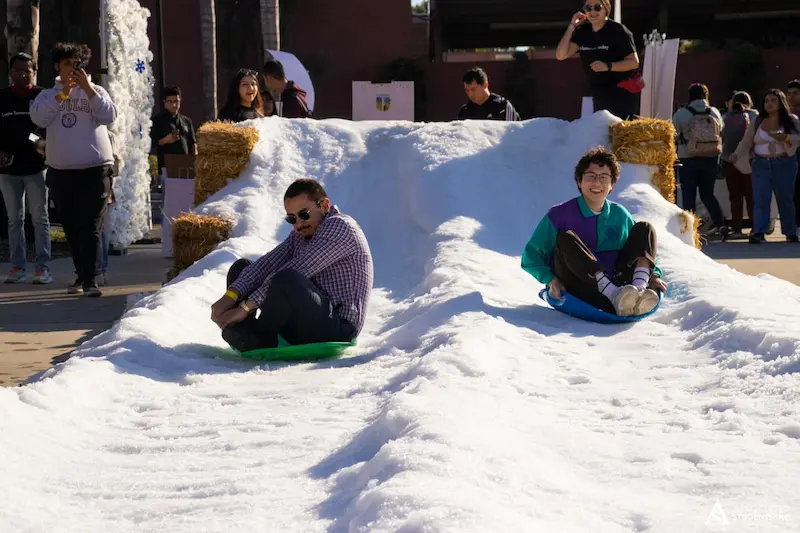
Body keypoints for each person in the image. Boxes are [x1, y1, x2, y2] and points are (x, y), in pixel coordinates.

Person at [210, 179, 373, 351]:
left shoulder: (340, 226)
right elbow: (268, 263)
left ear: (324, 205)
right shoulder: (301, 233)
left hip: (337, 327)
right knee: (243, 267)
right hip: (305, 320)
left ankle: (260, 337)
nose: (298, 224)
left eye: (304, 214)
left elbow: (299, 268)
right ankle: (246, 333)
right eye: (291, 218)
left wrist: (244, 308)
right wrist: (230, 296)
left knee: (287, 278)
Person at [521, 148, 666, 317]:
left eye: (604, 177)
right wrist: (551, 279)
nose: (597, 183)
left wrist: (654, 275)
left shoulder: (620, 214)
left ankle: (638, 294)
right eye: (590, 176)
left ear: (612, 184)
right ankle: (614, 296)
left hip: (622, 285)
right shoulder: (559, 214)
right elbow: (530, 257)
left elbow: (642, 251)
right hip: (580, 287)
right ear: (579, 181)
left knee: (645, 228)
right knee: (566, 238)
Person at [30, 42, 117, 297]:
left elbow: (109, 116)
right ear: (58, 66)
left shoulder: (97, 91)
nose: (71, 69)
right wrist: (63, 95)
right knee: (70, 226)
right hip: (61, 171)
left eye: (76, 64)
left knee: (91, 225)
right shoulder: (48, 94)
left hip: (95, 169)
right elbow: (38, 119)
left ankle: (90, 280)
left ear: (84, 66)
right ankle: (82, 274)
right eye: (66, 64)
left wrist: (87, 89)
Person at [0, 52, 51, 284]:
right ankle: (17, 267)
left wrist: (27, 140)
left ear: (34, 72)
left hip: (35, 168)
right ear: (10, 73)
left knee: (40, 218)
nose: (22, 74)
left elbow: (42, 131)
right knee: (14, 219)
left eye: (27, 70)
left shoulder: (42, 96)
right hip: (9, 171)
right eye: (17, 70)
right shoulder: (2, 98)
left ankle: (43, 268)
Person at [730, 89, 800, 244]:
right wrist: (736, 154)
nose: (769, 103)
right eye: (767, 100)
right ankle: (759, 232)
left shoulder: (791, 120)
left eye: (773, 100)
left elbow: (798, 138)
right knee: (761, 198)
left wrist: (786, 137)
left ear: (781, 103)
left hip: (784, 164)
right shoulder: (757, 121)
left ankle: (790, 231)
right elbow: (746, 141)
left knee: (785, 198)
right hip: (761, 164)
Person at [556, 0, 641, 120]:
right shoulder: (583, 32)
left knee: (618, 133)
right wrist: (572, 26)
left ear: (606, 8)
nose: (592, 12)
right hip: (598, 93)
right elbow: (561, 55)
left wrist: (608, 66)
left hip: (621, 94)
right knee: (602, 133)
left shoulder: (618, 30)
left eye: (597, 7)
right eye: (588, 8)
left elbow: (634, 62)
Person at [672, 83, 727, 237]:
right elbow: (720, 130)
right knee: (707, 194)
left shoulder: (682, 113)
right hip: (710, 157)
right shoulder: (714, 112)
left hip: (688, 157)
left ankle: (690, 229)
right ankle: (721, 224)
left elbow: (674, 134)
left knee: (688, 195)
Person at [721, 93, 756, 239]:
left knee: (735, 197)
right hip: (750, 160)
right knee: (751, 196)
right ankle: (756, 228)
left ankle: (736, 229)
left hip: (730, 160)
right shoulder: (754, 115)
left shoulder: (726, 117)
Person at [150, 86, 197, 172]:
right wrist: (165, 140)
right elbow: (150, 143)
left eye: (176, 101)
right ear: (164, 102)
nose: (174, 105)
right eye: (170, 102)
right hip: (167, 168)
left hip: (186, 167)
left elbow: (192, 144)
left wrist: (195, 160)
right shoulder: (157, 121)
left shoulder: (186, 121)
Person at [788, 80, 800, 226]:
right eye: (789, 93)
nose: (791, 97)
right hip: (789, 158)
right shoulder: (785, 114)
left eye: (796, 93)